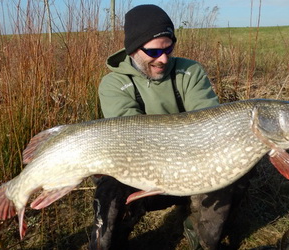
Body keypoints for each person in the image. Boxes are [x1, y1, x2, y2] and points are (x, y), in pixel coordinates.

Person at [89, 5, 237, 250]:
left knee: (233, 169)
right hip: (139, 172)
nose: (164, 58)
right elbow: (131, 138)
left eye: (169, 48)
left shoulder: (190, 71)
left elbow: (209, 122)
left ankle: (200, 234)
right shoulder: (113, 84)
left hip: (189, 169)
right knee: (109, 186)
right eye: (154, 51)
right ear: (133, 48)